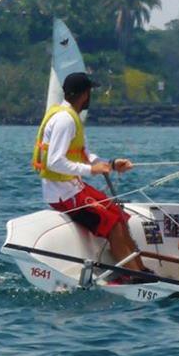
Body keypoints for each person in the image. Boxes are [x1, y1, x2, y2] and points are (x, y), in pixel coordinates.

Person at [32, 71, 146, 274]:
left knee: (118, 214)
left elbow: (83, 154)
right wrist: (91, 170)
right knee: (112, 225)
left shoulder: (71, 117)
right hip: (63, 194)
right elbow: (55, 161)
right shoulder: (64, 121)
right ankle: (134, 276)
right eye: (90, 92)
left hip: (74, 187)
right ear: (85, 95)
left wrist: (110, 164)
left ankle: (141, 268)